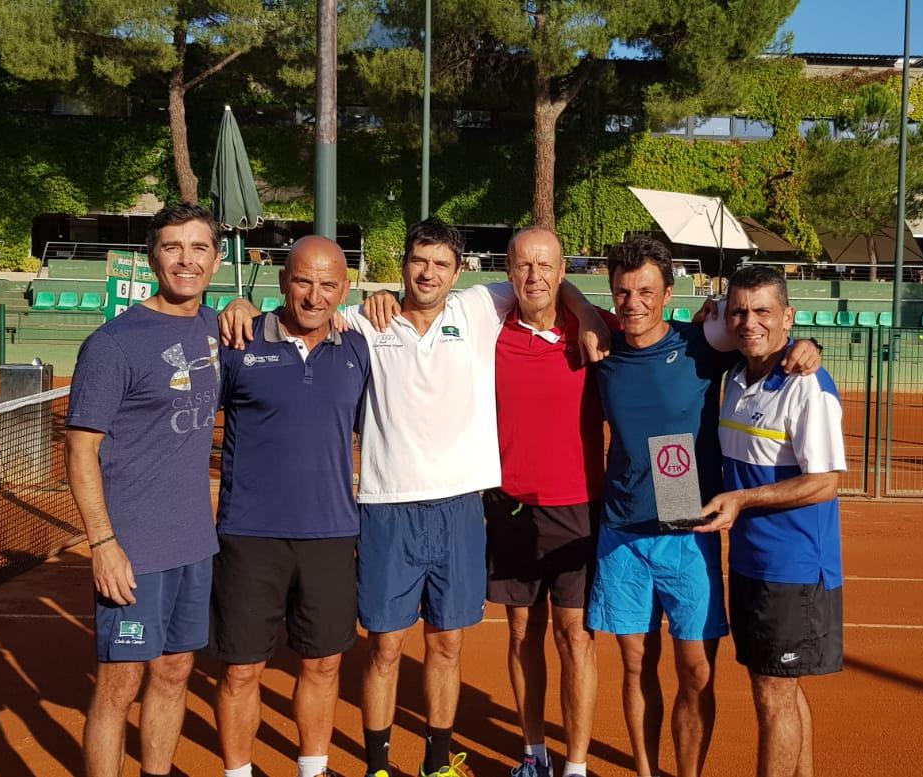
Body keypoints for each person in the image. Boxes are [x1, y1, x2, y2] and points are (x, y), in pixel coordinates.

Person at [220, 219, 607, 777]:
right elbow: (298, 312)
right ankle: (378, 766)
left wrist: (588, 311)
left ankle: (436, 762)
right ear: (402, 267)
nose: (428, 273)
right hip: (386, 507)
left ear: (458, 271)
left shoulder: (477, 309)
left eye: (441, 264)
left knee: (447, 645)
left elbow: (542, 276)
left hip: (460, 507)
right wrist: (240, 307)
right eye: (418, 261)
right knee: (384, 649)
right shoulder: (361, 323)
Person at [590, 236, 820, 777]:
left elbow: (760, 333)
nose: (633, 302)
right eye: (622, 291)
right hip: (622, 531)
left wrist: (806, 343)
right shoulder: (601, 349)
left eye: (645, 290)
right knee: (635, 665)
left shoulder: (700, 345)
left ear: (667, 292)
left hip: (687, 528)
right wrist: (582, 312)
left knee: (695, 671)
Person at [65, 203, 223, 777]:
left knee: (176, 671)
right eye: (173, 247)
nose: (186, 260)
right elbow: (80, 449)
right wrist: (102, 542)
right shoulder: (114, 343)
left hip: (193, 543)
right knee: (119, 683)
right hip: (134, 549)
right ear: (152, 256)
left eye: (199, 247)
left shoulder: (215, 326)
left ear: (216, 257)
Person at [210, 236, 369, 777]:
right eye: (303, 281)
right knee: (240, 671)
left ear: (344, 290)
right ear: (283, 282)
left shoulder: (356, 348)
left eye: (328, 285)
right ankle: (237, 772)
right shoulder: (240, 340)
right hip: (249, 536)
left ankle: (312, 767)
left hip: (330, 534)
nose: (314, 295)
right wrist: (233, 308)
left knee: (323, 663)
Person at [693, 265, 847, 777]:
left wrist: (741, 500)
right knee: (783, 687)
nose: (749, 322)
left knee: (772, 696)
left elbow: (825, 481)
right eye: (739, 310)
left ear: (788, 317)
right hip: (752, 563)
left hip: (795, 567)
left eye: (763, 311)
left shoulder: (808, 386)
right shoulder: (735, 378)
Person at [485, 228, 607, 777]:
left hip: (578, 509)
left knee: (574, 639)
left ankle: (576, 766)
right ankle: (532, 755)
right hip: (510, 508)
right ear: (509, 272)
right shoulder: (489, 333)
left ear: (562, 273)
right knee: (521, 634)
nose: (534, 276)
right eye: (523, 265)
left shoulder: (592, 334)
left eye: (545, 265)